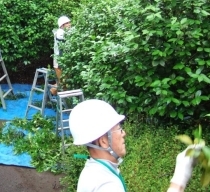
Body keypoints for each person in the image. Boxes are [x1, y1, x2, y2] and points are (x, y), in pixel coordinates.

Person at [69, 99, 202, 192]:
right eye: (119, 129)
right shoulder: (106, 185)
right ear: (103, 141)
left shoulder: (96, 171)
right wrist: (179, 180)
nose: (124, 133)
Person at [51, 15, 71, 95]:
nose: (69, 24)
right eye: (67, 23)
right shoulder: (60, 33)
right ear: (62, 25)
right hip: (59, 61)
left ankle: (51, 93)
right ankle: (50, 94)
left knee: (63, 83)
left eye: (69, 22)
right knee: (62, 83)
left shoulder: (65, 32)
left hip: (65, 61)